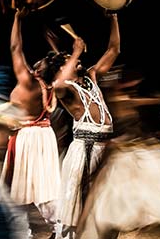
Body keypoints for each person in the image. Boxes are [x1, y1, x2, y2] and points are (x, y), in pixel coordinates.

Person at [76, 72, 160, 239]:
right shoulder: (118, 102)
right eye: (123, 85)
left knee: (156, 199)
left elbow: (137, 102)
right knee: (113, 205)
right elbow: (132, 104)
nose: (129, 88)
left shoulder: (121, 101)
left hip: (139, 154)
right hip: (126, 156)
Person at [52, 13, 120, 238]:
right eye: (69, 61)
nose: (76, 60)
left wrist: (113, 18)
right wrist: (76, 50)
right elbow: (59, 82)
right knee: (81, 211)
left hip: (104, 150)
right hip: (85, 153)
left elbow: (113, 50)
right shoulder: (66, 90)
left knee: (109, 208)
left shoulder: (91, 76)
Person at [0, 8, 63, 239]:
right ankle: (58, 229)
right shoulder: (51, 85)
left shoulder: (27, 80)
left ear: (40, 68)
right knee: (43, 188)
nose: (39, 60)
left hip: (27, 138)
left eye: (43, 60)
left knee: (17, 189)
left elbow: (16, 48)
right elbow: (60, 68)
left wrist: (17, 19)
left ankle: (23, 232)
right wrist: (56, 49)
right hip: (44, 136)